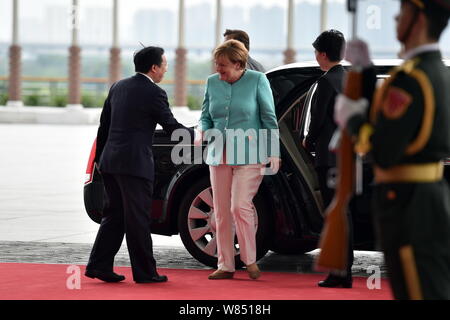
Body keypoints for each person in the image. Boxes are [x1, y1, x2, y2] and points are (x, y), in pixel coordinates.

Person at [335, 0, 450, 299]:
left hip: (407, 201)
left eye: (404, 12)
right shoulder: (436, 73)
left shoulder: (411, 79)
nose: (397, 17)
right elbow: (401, 128)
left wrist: (354, 120)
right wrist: (368, 74)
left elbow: (383, 150)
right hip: (425, 196)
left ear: (420, 20)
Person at [85, 46, 193, 284]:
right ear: (154, 67)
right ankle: (145, 273)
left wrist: (99, 160)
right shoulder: (155, 93)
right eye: (164, 65)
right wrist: (196, 135)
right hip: (135, 166)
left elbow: (104, 127)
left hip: (110, 162)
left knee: (114, 216)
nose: (166, 69)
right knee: (138, 220)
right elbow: (171, 126)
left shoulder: (118, 87)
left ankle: (99, 265)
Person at [197, 39, 280, 280]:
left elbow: (269, 119)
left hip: (249, 155)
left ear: (239, 64)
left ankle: (250, 260)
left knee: (239, 206)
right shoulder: (212, 83)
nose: (218, 69)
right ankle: (226, 265)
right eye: (216, 64)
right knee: (221, 212)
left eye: (223, 65)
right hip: (218, 154)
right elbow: (205, 117)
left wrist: (273, 151)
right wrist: (201, 130)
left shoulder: (257, 80)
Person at [302, 30, 353, 288]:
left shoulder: (326, 82)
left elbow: (318, 120)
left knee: (333, 216)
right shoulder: (348, 79)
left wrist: (307, 141)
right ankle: (345, 269)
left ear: (322, 54)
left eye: (316, 52)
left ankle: (339, 273)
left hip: (328, 158)